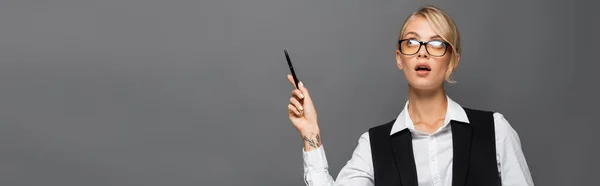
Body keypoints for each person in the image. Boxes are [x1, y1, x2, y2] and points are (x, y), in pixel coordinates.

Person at [286, 5, 534, 186]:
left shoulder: (495, 131)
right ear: (399, 58)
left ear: (453, 60)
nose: (422, 53)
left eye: (437, 44)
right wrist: (310, 134)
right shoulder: (374, 146)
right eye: (412, 43)